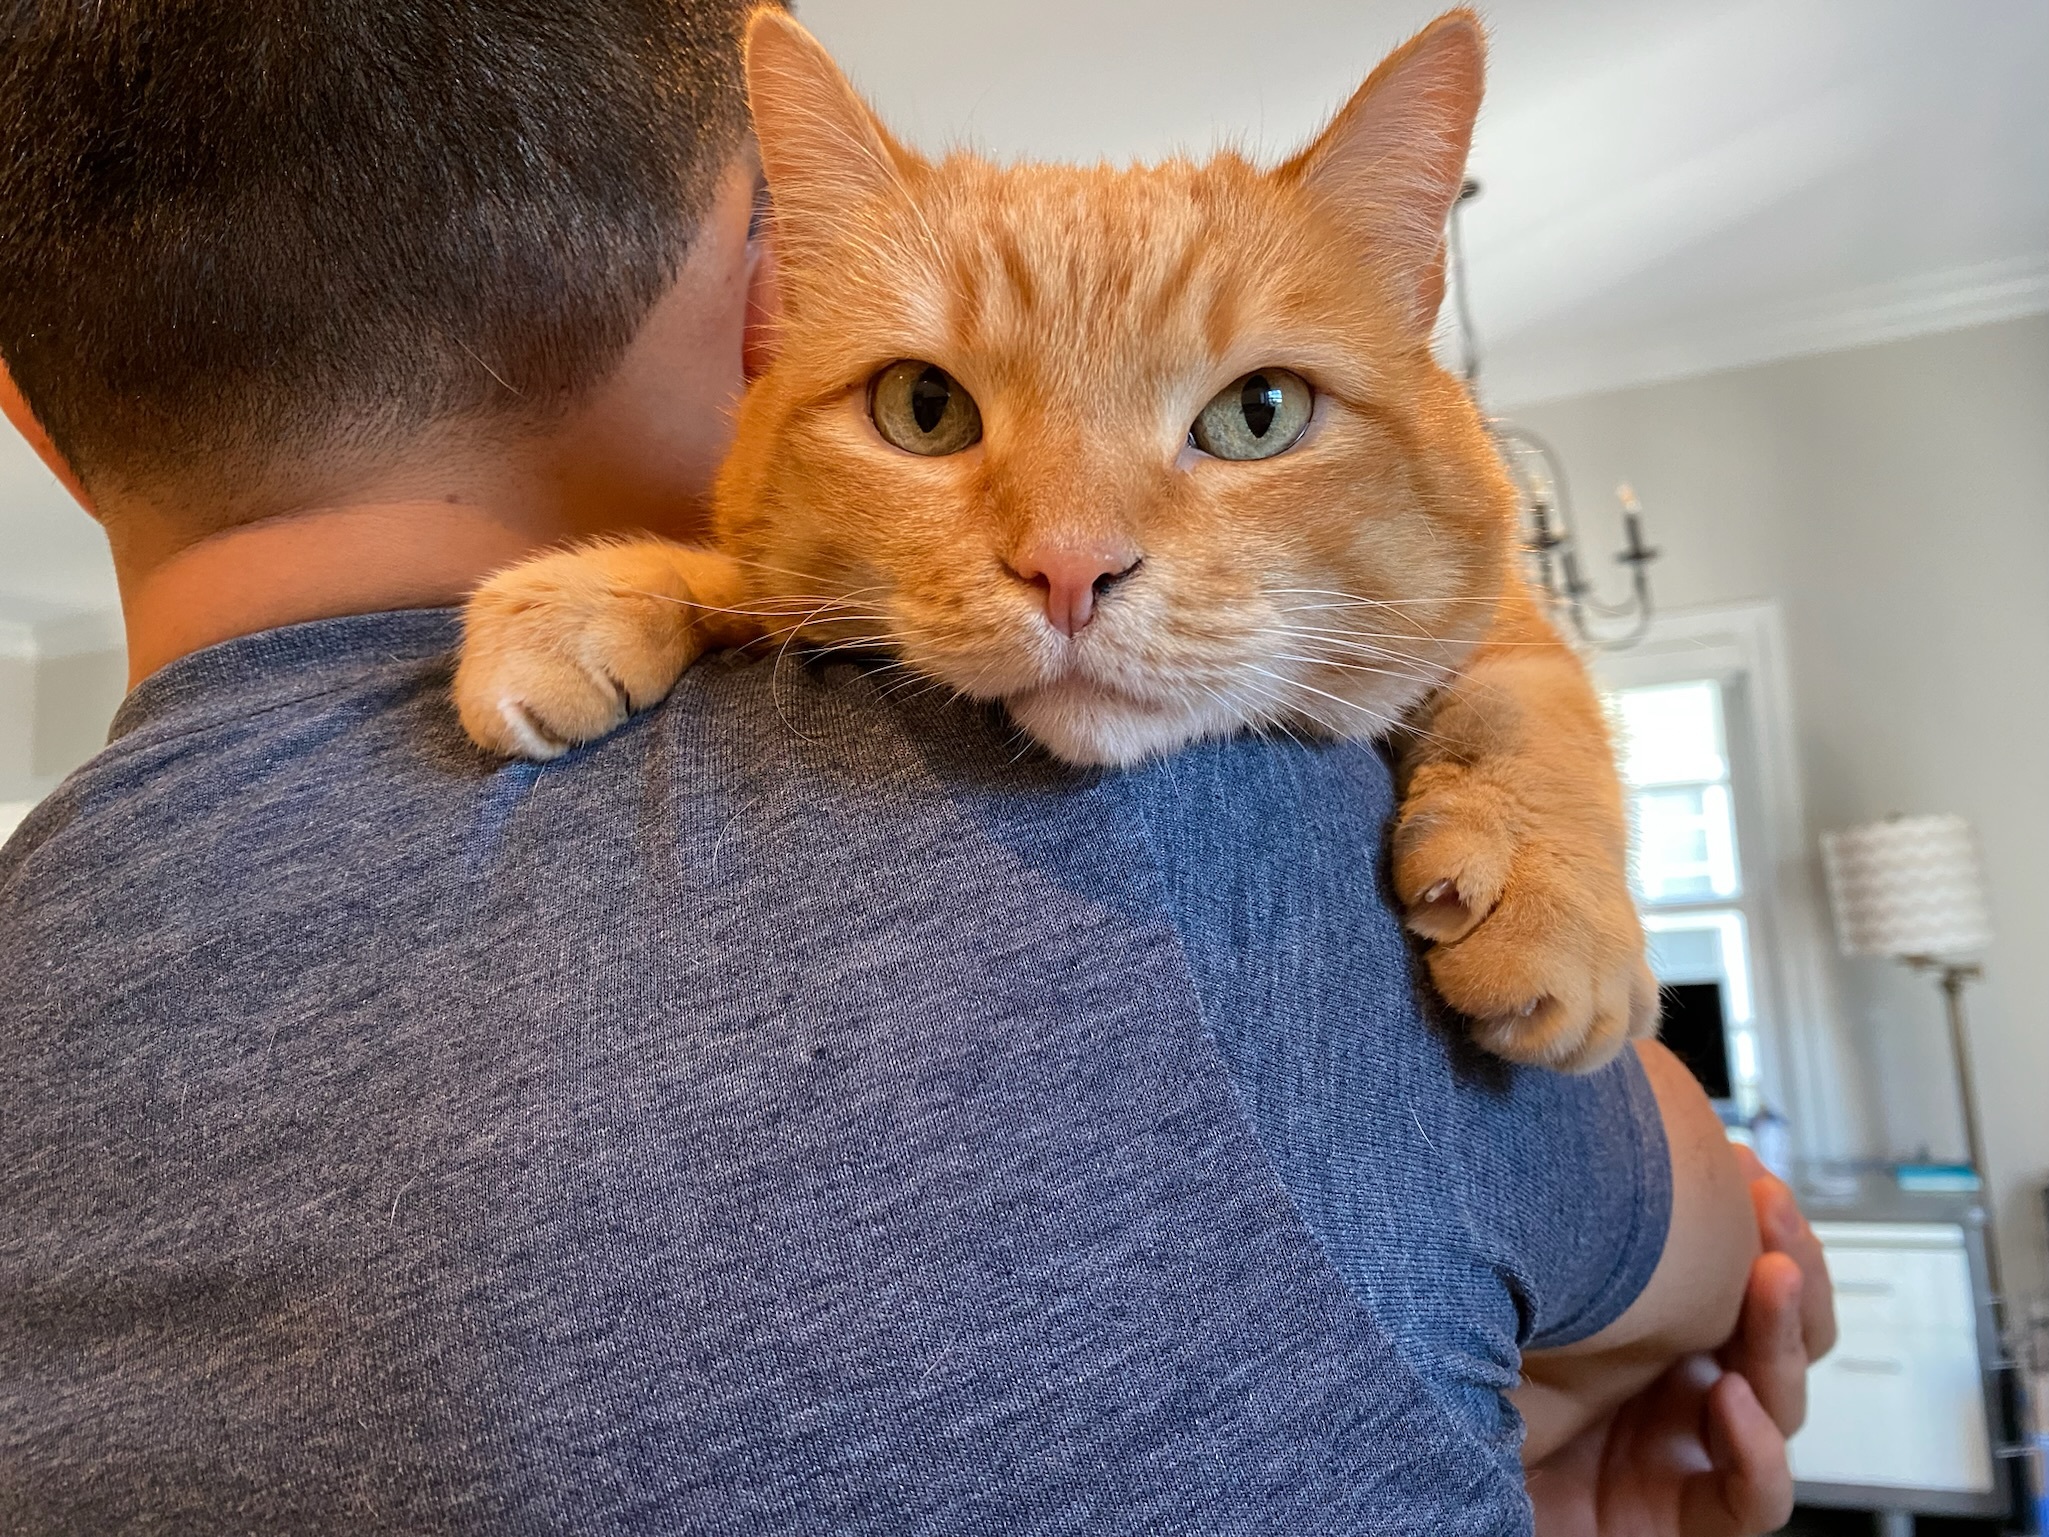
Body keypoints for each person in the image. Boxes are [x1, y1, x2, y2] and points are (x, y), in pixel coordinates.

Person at [0, 4, 1831, 1533]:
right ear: (758, 309)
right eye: (931, 407)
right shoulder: (1230, 852)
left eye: (1247, 414)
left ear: (23, 405)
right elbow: (1723, 1260)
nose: (1071, 553)